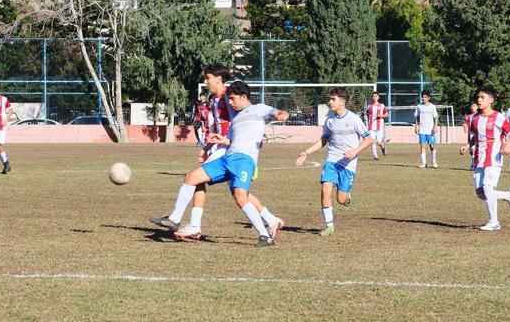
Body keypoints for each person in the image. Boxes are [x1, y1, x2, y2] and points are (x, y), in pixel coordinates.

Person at [151, 65, 285, 241]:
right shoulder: (217, 98)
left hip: (236, 152)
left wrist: (271, 119)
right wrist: (207, 147)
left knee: (209, 184)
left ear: (218, 79)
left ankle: (188, 223)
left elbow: (259, 112)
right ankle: (271, 220)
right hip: (227, 146)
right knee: (233, 191)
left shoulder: (232, 93)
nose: (206, 82)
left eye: (208, 78)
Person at [295, 87, 372, 237]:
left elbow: (369, 140)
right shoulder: (330, 120)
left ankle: (346, 196)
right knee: (325, 188)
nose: (330, 102)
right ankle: (329, 226)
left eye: (333, 99)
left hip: (348, 163)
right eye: (330, 99)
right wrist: (306, 152)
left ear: (342, 102)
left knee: (341, 199)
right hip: (332, 159)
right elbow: (324, 140)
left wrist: (354, 151)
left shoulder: (354, 119)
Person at [459, 87, 510, 231]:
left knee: (487, 187)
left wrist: (508, 145)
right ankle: (507, 195)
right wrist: (467, 146)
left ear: (490, 100)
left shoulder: (498, 117)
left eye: (482, 97)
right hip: (479, 157)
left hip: (494, 157)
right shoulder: (475, 118)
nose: (479, 100)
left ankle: (494, 222)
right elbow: (475, 138)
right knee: (481, 193)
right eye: (478, 97)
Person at [414, 90, 439, 168]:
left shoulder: (432, 106)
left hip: (430, 130)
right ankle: (424, 163)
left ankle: (434, 162)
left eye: (425, 97)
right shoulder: (419, 106)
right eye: (422, 97)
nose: (423, 98)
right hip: (422, 129)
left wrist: (435, 126)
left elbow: (436, 117)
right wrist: (416, 126)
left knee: (432, 146)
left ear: (429, 98)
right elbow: (417, 117)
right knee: (422, 146)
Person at [364, 91, 388, 160]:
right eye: (373, 96)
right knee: (372, 141)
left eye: (376, 96)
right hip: (371, 126)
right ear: (372, 98)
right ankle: (375, 157)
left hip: (379, 126)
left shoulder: (382, 105)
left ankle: (383, 147)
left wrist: (382, 115)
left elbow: (386, 114)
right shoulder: (369, 106)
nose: (374, 97)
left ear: (378, 97)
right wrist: (365, 116)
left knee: (379, 142)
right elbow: (366, 113)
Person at [462, 101, 478, 171]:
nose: (472, 107)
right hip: (470, 133)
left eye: (474, 106)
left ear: (477, 107)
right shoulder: (468, 116)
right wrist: (465, 126)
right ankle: (473, 163)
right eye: (472, 106)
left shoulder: (479, 115)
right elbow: (466, 123)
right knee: (471, 149)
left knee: (475, 149)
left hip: (477, 133)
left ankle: (474, 165)